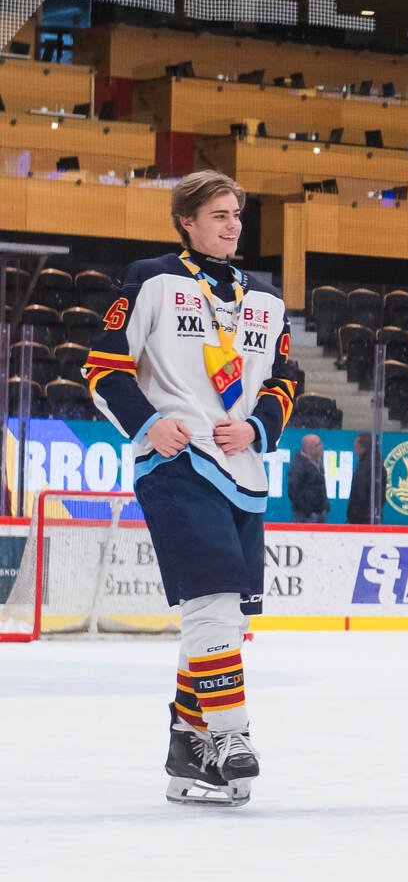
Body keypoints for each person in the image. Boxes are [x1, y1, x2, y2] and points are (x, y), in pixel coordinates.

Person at [83, 170, 298, 806]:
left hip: (243, 474)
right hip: (175, 464)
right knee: (210, 601)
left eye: (236, 215)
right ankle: (230, 734)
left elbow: (286, 381)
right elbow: (103, 368)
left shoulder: (267, 300)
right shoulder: (151, 280)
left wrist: (258, 427)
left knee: (225, 615)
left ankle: (189, 746)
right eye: (219, 215)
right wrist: (150, 422)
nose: (232, 225)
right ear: (187, 221)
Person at [289, 433, 330, 523]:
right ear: (308, 448)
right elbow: (293, 490)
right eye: (317, 445)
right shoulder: (298, 465)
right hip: (306, 515)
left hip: (320, 511)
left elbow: (321, 486)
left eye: (321, 444)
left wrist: (325, 506)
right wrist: (307, 509)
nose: (321, 447)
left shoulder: (319, 461)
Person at [346, 432, 384, 525]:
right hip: (368, 515)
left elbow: (360, 493)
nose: (354, 447)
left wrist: (354, 514)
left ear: (363, 446)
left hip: (362, 518)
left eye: (356, 445)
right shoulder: (375, 464)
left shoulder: (366, 466)